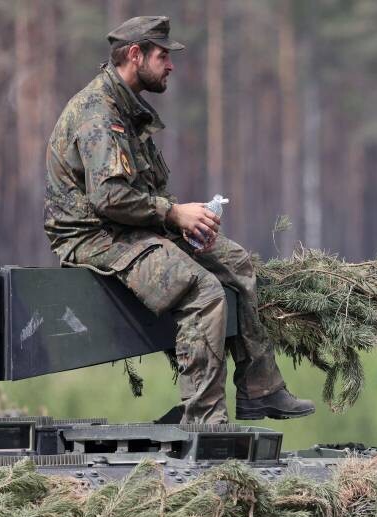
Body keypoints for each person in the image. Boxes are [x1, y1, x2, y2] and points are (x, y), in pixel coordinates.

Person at [43, 16, 314, 424]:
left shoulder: (126, 109)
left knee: (235, 263)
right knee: (203, 291)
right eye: (163, 55)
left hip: (128, 226)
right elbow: (108, 198)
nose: (171, 65)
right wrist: (172, 214)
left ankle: (261, 389)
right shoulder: (97, 113)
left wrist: (186, 221)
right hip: (94, 237)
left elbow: (140, 190)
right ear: (135, 55)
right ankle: (204, 417)